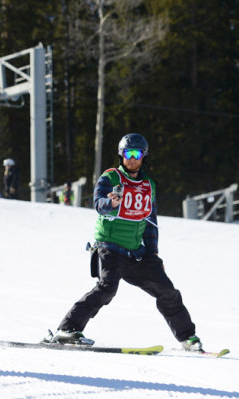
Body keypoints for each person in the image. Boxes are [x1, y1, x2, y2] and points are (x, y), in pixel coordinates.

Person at [51, 133, 204, 352]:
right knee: (107, 288)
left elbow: (150, 224)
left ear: (144, 156)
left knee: (167, 290)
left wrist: (153, 256)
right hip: (110, 248)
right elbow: (98, 204)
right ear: (121, 155)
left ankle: (188, 338)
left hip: (135, 253)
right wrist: (110, 202)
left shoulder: (148, 185)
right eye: (128, 153)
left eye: (137, 154)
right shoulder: (110, 178)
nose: (132, 158)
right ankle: (67, 329)